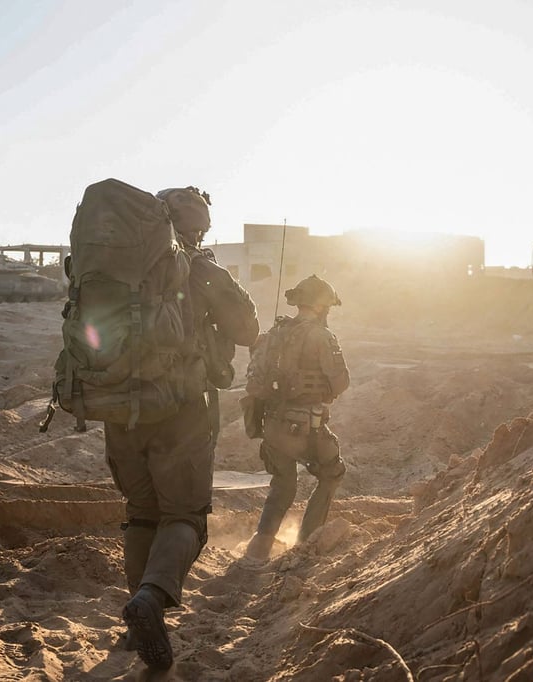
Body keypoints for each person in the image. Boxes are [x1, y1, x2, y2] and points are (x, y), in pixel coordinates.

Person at [111, 185, 258, 669]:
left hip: (120, 408)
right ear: (199, 227)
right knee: (186, 517)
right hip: (181, 409)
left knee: (141, 513)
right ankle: (151, 599)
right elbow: (248, 330)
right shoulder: (198, 267)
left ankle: (135, 625)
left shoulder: (119, 265)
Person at [243, 274, 350, 563]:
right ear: (322, 306)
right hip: (305, 427)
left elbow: (254, 383)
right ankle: (307, 545)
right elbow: (341, 382)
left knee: (283, 484)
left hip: (271, 425)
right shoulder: (322, 336)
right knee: (332, 473)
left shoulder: (274, 333)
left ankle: (259, 548)